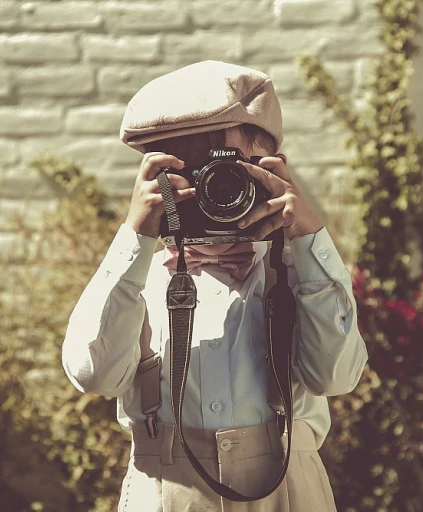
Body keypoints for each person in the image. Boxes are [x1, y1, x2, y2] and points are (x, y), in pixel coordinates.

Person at [62, 60, 368, 512]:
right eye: (190, 174)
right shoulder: (136, 275)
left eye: (229, 173)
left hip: (288, 487)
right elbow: (93, 374)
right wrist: (134, 237)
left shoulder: (299, 272)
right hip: (165, 489)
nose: (212, 188)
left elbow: (336, 377)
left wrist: (307, 237)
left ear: (272, 170)